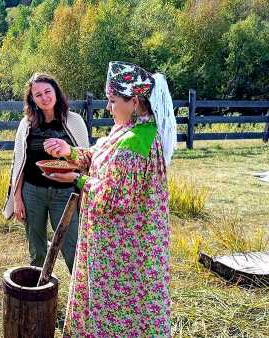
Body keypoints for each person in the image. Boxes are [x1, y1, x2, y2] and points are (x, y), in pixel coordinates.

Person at [43, 61, 176, 336]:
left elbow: (111, 196)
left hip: (124, 248)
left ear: (136, 101)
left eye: (112, 101)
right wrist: (69, 152)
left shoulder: (135, 142)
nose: (108, 107)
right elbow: (97, 157)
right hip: (126, 244)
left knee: (122, 305)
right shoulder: (128, 130)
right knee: (132, 303)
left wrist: (75, 180)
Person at [3, 73, 89, 272]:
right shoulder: (26, 125)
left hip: (66, 194)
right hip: (32, 192)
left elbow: (85, 159)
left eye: (47, 91)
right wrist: (17, 198)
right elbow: (19, 163)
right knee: (37, 250)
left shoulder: (74, 121)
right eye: (38, 94)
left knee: (72, 248)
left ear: (56, 92)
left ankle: (80, 297)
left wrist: (66, 153)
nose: (44, 97)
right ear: (32, 99)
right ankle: (38, 295)